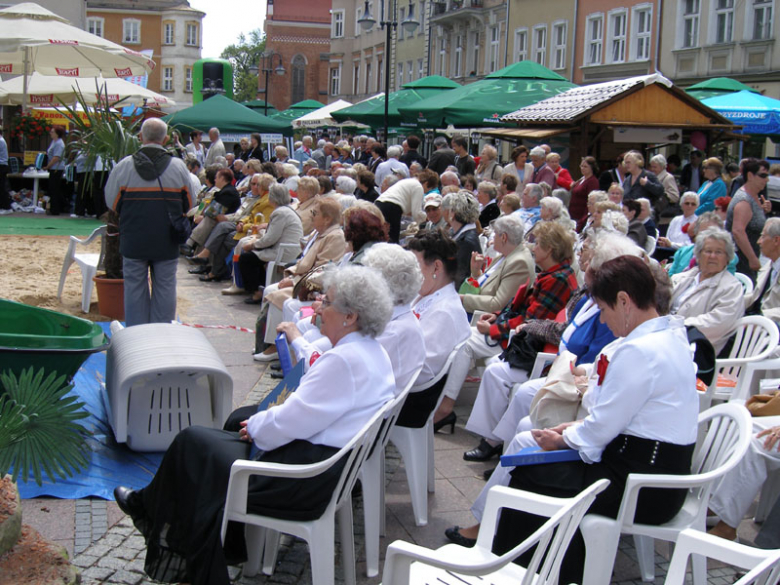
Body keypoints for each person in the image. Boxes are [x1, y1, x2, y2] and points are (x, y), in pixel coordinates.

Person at [113, 265, 395, 585]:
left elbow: (294, 419)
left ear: (351, 316)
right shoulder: (372, 350)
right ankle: (162, 519)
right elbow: (306, 411)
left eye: (326, 302)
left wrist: (258, 425)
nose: (318, 307)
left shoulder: (344, 360)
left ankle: (168, 530)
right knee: (201, 445)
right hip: (325, 466)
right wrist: (261, 423)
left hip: (303, 479)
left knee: (192, 444)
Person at [489, 255, 699, 585]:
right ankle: (552, 572)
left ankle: (522, 573)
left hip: (643, 486)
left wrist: (563, 439)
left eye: (603, 309)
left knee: (530, 474)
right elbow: (621, 421)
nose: (603, 319)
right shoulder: (670, 335)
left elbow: (601, 429)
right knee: (539, 467)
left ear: (624, 301)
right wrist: (572, 432)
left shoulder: (640, 350)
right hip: (656, 474)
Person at [456, 222, 578, 457]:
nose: (533, 247)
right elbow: (523, 311)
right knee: (490, 366)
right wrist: (498, 319)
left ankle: (490, 440)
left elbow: (532, 319)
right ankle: (490, 437)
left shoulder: (557, 279)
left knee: (492, 370)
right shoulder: (553, 274)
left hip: (539, 350)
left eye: (538, 243)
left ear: (550, 249)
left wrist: (493, 329)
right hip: (531, 341)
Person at [104, 118, 193, 326]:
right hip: (167, 240)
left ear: (140, 137)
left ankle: (137, 334)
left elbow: (112, 202)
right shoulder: (179, 167)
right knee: (165, 287)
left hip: (133, 238)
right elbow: (190, 203)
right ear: (167, 139)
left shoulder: (124, 166)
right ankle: (161, 335)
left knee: (134, 288)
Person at [395, 229, 471, 428]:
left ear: (436, 266)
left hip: (408, 402)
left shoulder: (444, 311)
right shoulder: (428, 297)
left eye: (414, 266)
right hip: (403, 388)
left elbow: (420, 371)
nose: (409, 273)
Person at [253, 198, 346, 359]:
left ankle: (280, 348)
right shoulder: (319, 232)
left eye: (314, 213)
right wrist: (291, 274)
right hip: (304, 279)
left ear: (327, 218)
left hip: (314, 286)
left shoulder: (334, 237)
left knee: (282, 298)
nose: (311, 217)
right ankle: (269, 344)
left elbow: (323, 269)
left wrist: (294, 281)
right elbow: (303, 259)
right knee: (271, 290)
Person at [670, 227, 744, 354]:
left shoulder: (731, 288)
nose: (713, 256)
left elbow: (718, 322)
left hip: (696, 349)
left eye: (719, 252)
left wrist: (676, 325)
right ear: (698, 255)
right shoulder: (680, 278)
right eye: (708, 251)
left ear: (727, 258)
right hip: (666, 339)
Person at [234, 184, 304, 298]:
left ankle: (256, 291)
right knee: (255, 257)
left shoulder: (280, 212)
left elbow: (271, 238)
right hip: (288, 249)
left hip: (283, 251)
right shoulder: (287, 210)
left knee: (246, 259)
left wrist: (252, 245)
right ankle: (260, 287)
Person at [727, 158, 771, 281]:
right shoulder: (744, 200)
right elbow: (738, 231)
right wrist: (752, 259)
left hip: (750, 258)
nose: (766, 180)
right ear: (750, 175)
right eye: (763, 175)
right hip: (742, 261)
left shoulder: (754, 196)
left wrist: (764, 210)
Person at [442, 190, 482, 286]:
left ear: (454, 213)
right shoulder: (459, 234)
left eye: (450, 209)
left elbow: (460, 277)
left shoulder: (465, 241)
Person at [745, 218, 780, 324]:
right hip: (755, 321)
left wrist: (761, 318)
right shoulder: (770, 265)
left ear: (776, 240)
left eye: (763, 236)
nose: (758, 241)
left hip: (770, 327)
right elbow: (756, 297)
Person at [375, 177, 427, 243]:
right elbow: (416, 213)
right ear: (426, 183)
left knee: (381, 238)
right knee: (393, 240)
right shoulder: (418, 187)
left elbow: (408, 211)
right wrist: (426, 220)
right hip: (391, 206)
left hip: (379, 203)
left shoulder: (406, 182)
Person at [569, 156, 599, 225]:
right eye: (581, 166)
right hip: (573, 215)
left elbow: (591, 200)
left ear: (591, 168)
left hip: (581, 216)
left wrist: (584, 218)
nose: (582, 168)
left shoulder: (592, 181)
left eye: (585, 167)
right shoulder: (581, 180)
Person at [45, 125, 67, 215]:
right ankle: (56, 207)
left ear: (57, 134)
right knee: (53, 188)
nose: (50, 133)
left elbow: (56, 157)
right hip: (53, 168)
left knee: (54, 188)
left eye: (52, 132)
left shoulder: (59, 143)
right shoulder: (54, 142)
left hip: (57, 168)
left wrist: (48, 166)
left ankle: (56, 209)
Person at [0, 128, 8, 213]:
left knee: (2, 187)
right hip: (3, 165)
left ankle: (5, 207)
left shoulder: (0, 141)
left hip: (1, 166)